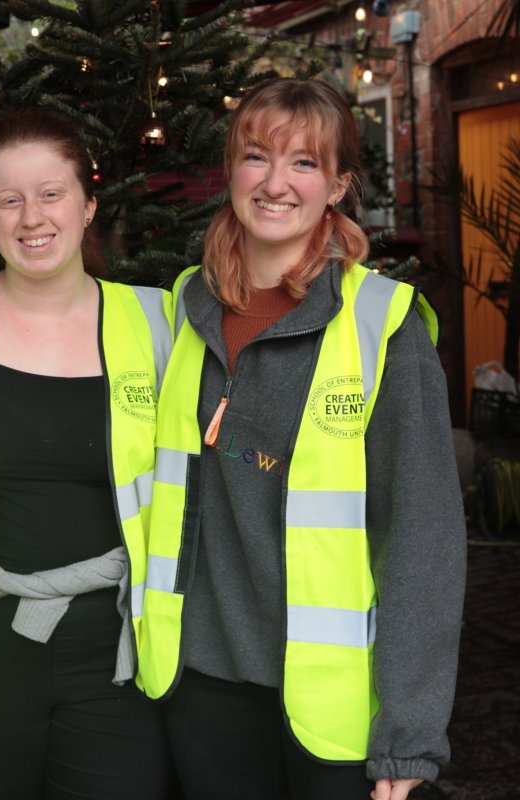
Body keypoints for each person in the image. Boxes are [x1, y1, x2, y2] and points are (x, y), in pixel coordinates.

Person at [137, 78, 467, 800]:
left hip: (332, 703)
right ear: (229, 170)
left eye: (305, 164)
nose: (276, 183)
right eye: (257, 157)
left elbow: (424, 539)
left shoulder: (384, 327)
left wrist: (409, 738)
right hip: (203, 683)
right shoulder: (183, 310)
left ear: (339, 183)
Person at [0, 109, 175, 800]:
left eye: (51, 193)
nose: (32, 216)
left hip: (117, 655)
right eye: (10, 199)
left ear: (88, 204)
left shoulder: (157, 321)